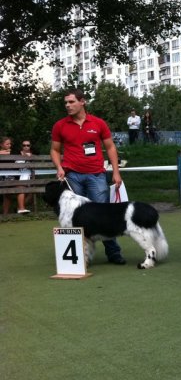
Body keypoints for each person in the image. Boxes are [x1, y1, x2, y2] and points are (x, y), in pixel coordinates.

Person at [50, 89, 126, 265]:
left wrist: (116, 172)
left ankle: (113, 253)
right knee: (75, 217)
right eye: (66, 103)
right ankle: (80, 257)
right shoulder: (60, 125)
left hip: (97, 176)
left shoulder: (98, 123)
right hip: (72, 177)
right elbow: (54, 150)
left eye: (71, 102)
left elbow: (111, 148)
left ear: (82, 101)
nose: (67, 106)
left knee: (103, 215)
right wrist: (59, 167)